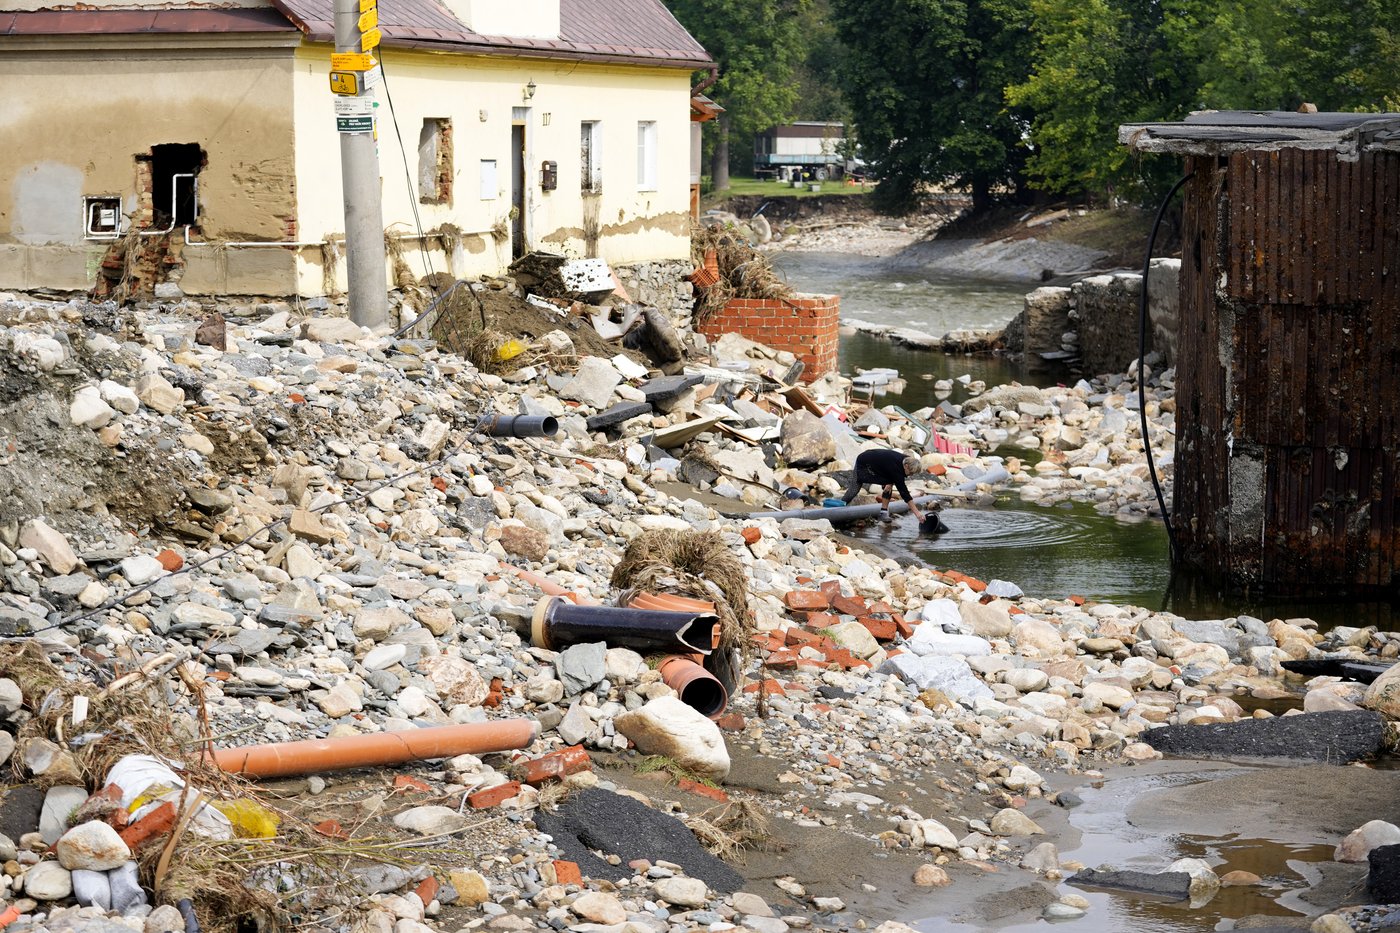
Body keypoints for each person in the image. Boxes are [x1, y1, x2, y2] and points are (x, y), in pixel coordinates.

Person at [843, 449, 926, 523]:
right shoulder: (897, 470)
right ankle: (840, 505)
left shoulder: (908, 460)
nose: (909, 476)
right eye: (910, 473)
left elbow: (891, 470)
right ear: (906, 466)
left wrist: (890, 483)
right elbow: (905, 494)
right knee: (855, 487)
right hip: (864, 462)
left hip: (880, 464)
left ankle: (883, 513)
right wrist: (917, 513)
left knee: (889, 484)